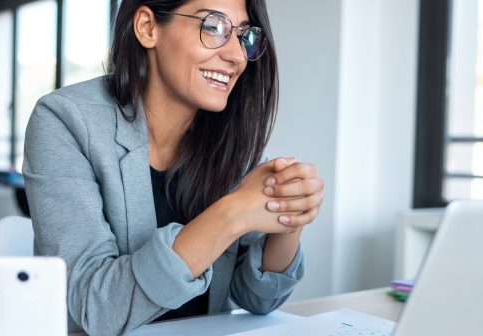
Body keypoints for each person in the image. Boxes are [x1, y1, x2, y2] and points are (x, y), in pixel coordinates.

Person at [22, 0, 325, 334]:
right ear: (148, 27)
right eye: (213, 26)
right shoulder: (64, 120)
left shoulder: (229, 135)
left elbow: (257, 299)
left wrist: (288, 215)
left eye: (244, 35)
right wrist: (232, 213)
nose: (238, 56)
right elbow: (94, 307)